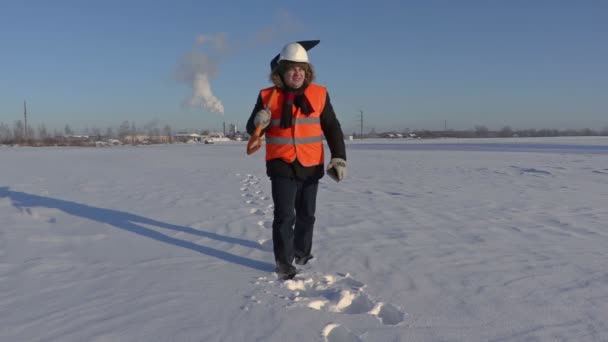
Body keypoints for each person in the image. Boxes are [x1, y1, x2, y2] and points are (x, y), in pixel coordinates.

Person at [246, 41, 347, 280]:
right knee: (284, 215)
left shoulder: (319, 94)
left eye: (302, 68)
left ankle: (302, 252)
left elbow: (331, 127)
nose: (297, 72)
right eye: (292, 68)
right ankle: (284, 262)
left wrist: (339, 157)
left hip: (311, 164)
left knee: (307, 214)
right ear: (281, 72)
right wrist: (259, 120)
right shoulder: (268, 96)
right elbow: (252, 128)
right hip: (281, 163)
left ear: (308, 71)